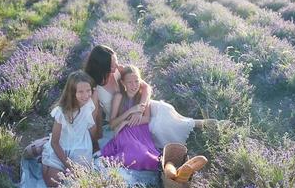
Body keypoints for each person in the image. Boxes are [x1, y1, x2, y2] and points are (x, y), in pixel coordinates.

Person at [84, 45, 212, 150]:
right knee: (155, 126)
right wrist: (95, 141)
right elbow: (95, 115)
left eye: (116, 62)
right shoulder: (94, 87)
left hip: (139, 104)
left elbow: (146, 87)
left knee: (164, 109)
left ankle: (195, 124)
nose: (116, 66)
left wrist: (140, 109)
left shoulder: (119, 70)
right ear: (101, 66)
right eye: (112, 65)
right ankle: (190, 129)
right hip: (122, 117)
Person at [41, 70, 99, 187]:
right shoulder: (61, 112)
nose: (86, 95)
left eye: (88, 91)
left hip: (80, 146)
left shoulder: (90, 104)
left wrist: (94, 146)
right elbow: (55, 142)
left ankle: (39, 148)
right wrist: (69, 165)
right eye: (80, 92)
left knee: (79, 182)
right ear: (72, 93)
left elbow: (92, 126)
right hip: (61, 147)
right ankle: (40, 149)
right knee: (54, 182)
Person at [101, 65, 160, 170]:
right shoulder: (119, 97)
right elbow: (112, 124)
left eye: (137, 81)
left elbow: (147, 118)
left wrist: (126, 122)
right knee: (134, 152)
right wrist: (130, 111)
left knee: (147, 155)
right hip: (124, 133)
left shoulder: (142, 96)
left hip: (140, 131)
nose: (134, 85)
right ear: (123, 83)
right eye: (130, 82)